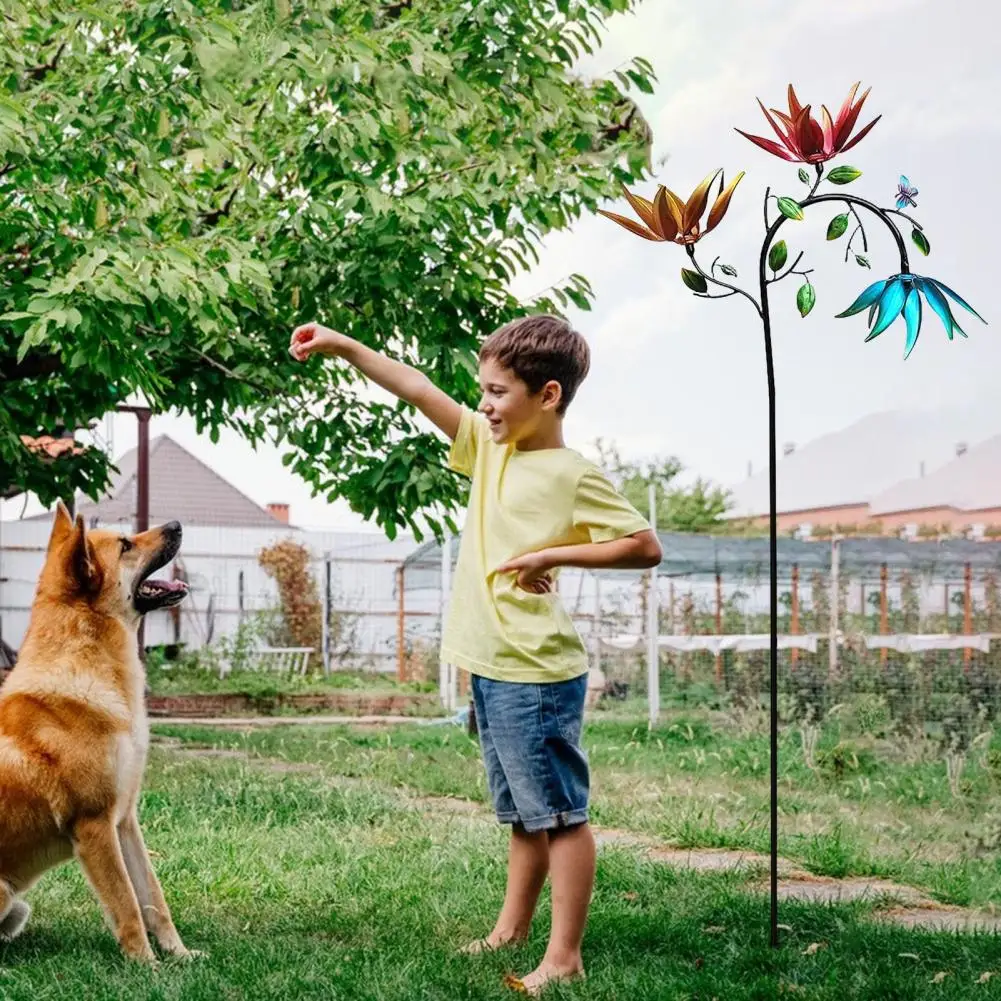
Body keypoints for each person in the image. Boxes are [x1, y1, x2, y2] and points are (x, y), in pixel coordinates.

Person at [289, 314, 662, 995]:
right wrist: (345, 344)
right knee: (523, 814)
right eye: (482, 391)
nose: (484, 405)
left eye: (497, 392)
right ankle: (511, 930)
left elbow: (643, 543)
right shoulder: (489, 446)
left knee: (559, 816)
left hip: (536, 671)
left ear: (546, 395)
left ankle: (564, 956)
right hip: (491, 664)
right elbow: (413, 386)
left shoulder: (570, 473)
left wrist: (555, 552)